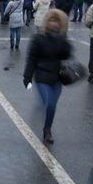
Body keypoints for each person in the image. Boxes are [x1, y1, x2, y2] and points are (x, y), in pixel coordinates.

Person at [23, 9, 71, 144]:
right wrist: (27, 76)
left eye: (57, 21)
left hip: (57, 77)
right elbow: (31, 58)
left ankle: (47, 128)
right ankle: (47, 130)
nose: (54, 24)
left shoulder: (61, 38)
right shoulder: (38, 39)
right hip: (42, 76)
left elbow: (66, 55)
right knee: (49, 103)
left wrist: (63, 40)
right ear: (46, 22)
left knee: (52, 106)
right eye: (51, 21)